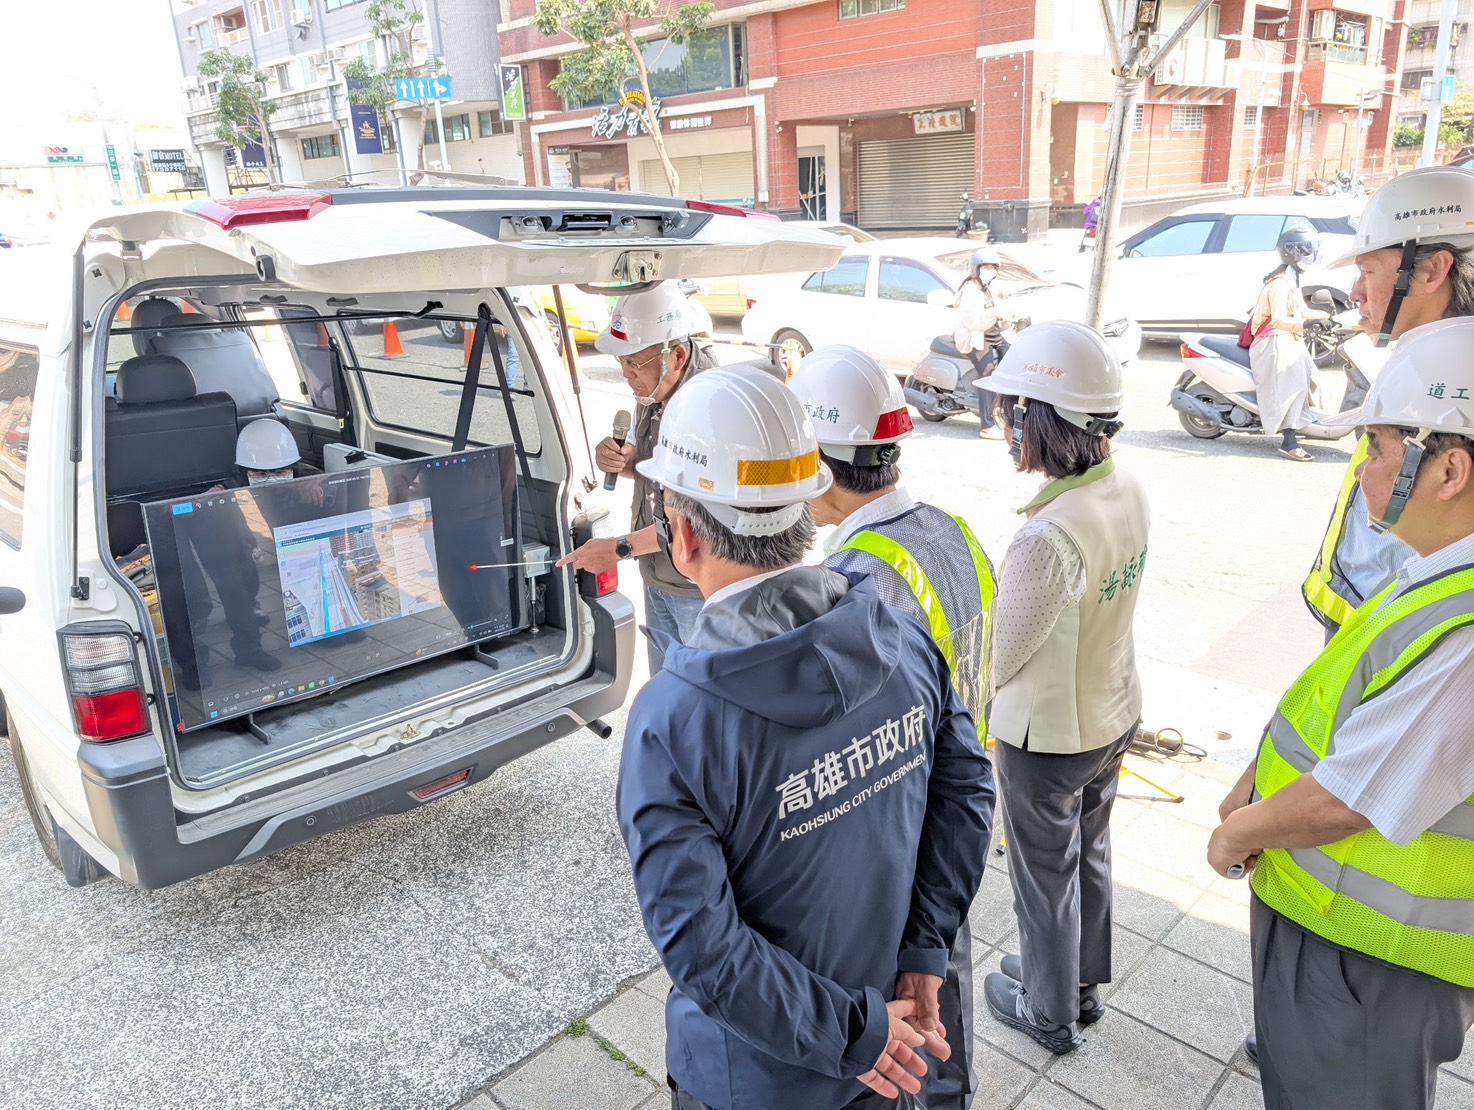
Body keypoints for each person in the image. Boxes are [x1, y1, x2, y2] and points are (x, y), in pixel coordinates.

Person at [618, 366, 994, 1110]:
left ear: (682, 532)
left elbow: (705, 951)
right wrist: (925, 949)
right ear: (804, 510)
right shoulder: (899, 636)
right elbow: (969, 790)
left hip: (762, 1075)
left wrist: (859, 1032)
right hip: (890, 1044)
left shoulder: (673, 720)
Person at [1208, 317, 1474, 1110]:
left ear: (1450, 469)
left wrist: (1236, 834)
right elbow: (1338, 701)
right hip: (1328, 921)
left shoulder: (1465, 629)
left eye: (1381, 450)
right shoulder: (1431, 571)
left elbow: (1351, 796)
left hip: (1368, 957)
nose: (1362, 471)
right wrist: (1256, 781)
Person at [790, 344, 997, 1110]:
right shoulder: (954, 532)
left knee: (906, 1011)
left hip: (898, 843)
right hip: (962, 813)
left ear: (817, 464)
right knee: (948, 979)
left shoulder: (854, 584)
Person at [980, 321, 1150, 1056]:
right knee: (1092, 852)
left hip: (1048, 739)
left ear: (1035, 420)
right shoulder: (1128, 486)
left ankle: (1047, 1012)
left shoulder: (1045, 536)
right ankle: (1080, 986)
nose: (1004, 423)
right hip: (1115, 710)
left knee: (1043, 878)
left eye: (1012, 410)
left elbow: (1001, 655)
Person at [1302, 165, 1474, 636]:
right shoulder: (1424, 363)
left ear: (1434, 268)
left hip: (1393, 643)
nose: (1356, 292)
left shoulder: (1448, 384)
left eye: (1367, 270)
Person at [556, 283, 715, 672]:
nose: (627, 376)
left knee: (700, 700)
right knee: (667, 693)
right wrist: (624, 461)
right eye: (622, 364)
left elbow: (696, 520)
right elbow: (656, 472)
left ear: (676, 355)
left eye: (635, 364)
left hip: (697, 587)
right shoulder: (656, 384)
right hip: (657, 573)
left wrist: (616, 548)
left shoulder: (708, 406)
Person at [1246, 225, 1330, 462]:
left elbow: (1301, 310)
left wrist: (1325, 317)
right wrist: (1306, 326)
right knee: (1293, 385)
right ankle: (1289, 441)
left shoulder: (1291, 279)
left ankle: (1304, 422)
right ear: (1291, 252)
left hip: (1285, 337)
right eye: (1305, 251)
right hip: (1272, 341)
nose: (1309, 257)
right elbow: (1280, 320)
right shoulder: (1279, 284)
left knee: (1311, 378)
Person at [953, 247, 1010, 440]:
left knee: (1013, 360)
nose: (989, 271)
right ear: (975, 269)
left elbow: (999, 310)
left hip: (993, 335)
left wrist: (1005, 319)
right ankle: (987, 426)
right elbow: (974, 322)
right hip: (977, 338)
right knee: (988, 374)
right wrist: (995, 314)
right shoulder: (968, 291)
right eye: (985, 267)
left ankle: (1006, 411)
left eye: (993, 267)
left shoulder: (989, 288)